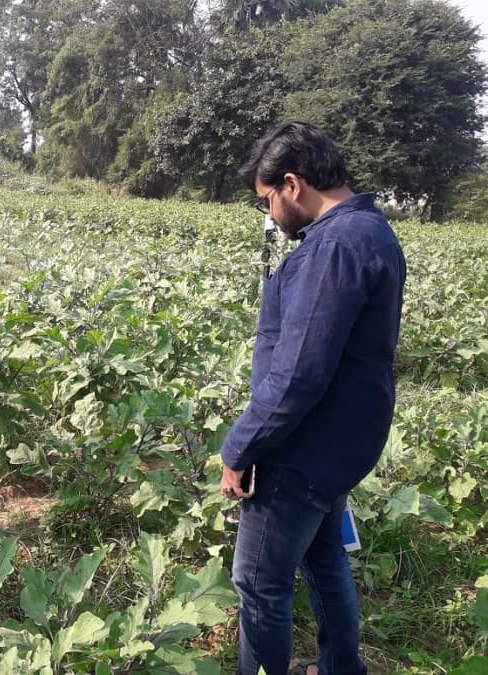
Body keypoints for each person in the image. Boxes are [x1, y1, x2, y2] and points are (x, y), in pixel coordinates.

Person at [218, 121, 406, 675]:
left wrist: (239, 446)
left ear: (293, 185)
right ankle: (342, 667)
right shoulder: (370, 230)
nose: (270, 217)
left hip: (301, 447)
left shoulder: (334, 247)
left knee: (258, 582)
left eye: (266, 202)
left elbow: (299, 374)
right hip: (340, 443)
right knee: (323, 557)